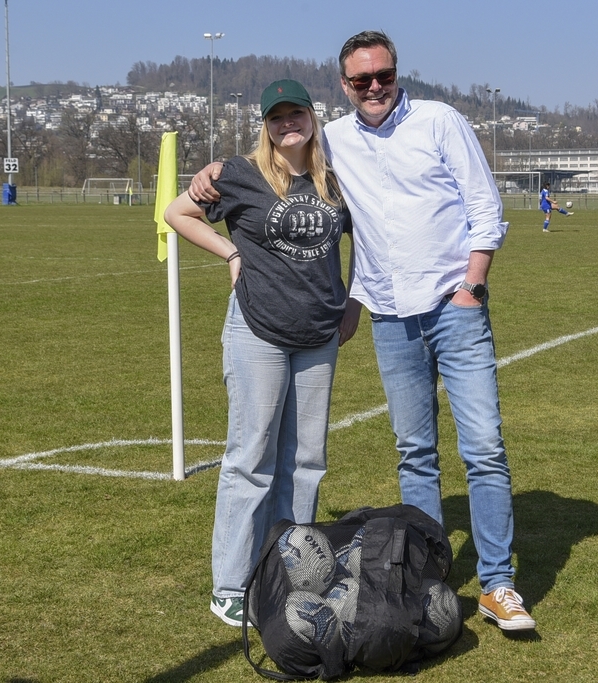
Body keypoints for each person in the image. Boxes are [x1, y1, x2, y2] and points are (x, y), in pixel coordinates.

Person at [190, 31, 536, 632]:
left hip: (455, 307)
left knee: (483, 448)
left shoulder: (438, 120)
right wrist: (214, 183)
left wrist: (472, 284)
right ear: (343, 86)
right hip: (390, 318)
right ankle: (426, 578)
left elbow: (485, 206)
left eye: (383, 75)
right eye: (360, 80)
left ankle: (499, 583)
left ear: (397, 73)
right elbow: (273, 189)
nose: (374, 86)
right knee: (415, 454)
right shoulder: (336, 141)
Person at [166, 79, 355, 627]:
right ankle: (229, 584)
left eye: (296, 113)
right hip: (258, 329)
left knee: (306, 461)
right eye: (277, 117)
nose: (287, 124)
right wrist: (228, 251)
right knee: (251, 459)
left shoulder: (334, 179)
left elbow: (361, 240)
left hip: (320, 333)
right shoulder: (238, 174)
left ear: (312, 119)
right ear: (266, 125)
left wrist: (352, 302)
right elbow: (178, 214)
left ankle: (291, 571)